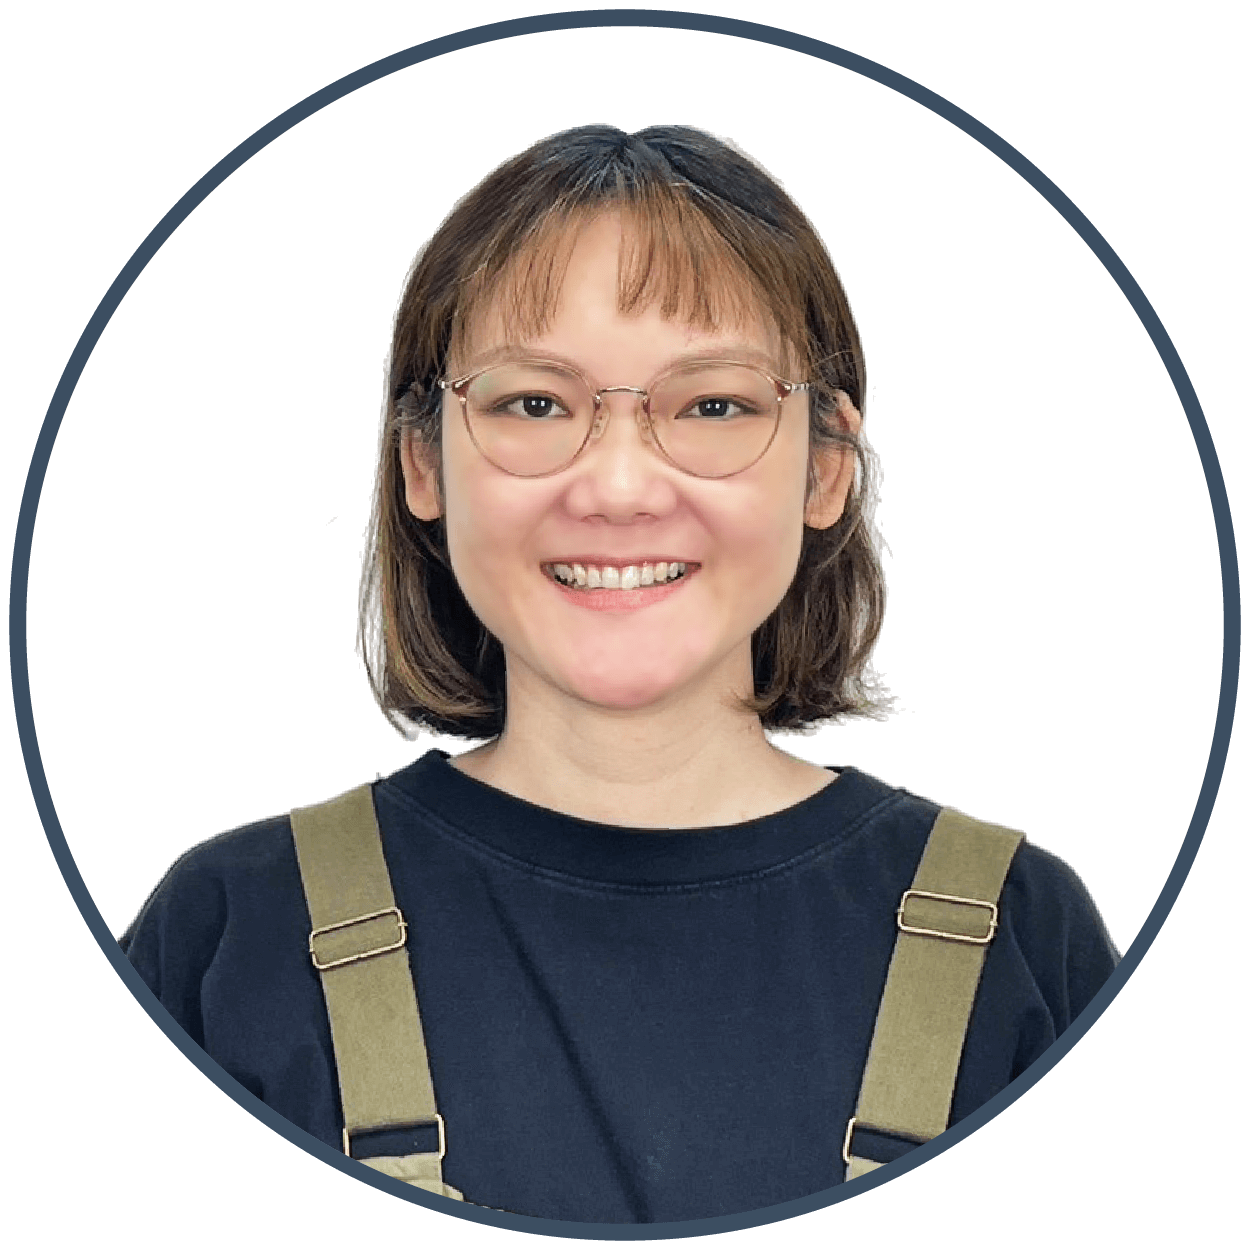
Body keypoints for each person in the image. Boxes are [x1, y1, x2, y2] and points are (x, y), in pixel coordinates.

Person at [121, 125, 1119, 1223]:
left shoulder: (1023, 943)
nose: (619, 487)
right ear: (422, 461)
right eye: (534, 403)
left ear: (826, 466)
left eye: (714, 404)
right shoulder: (228, 939)